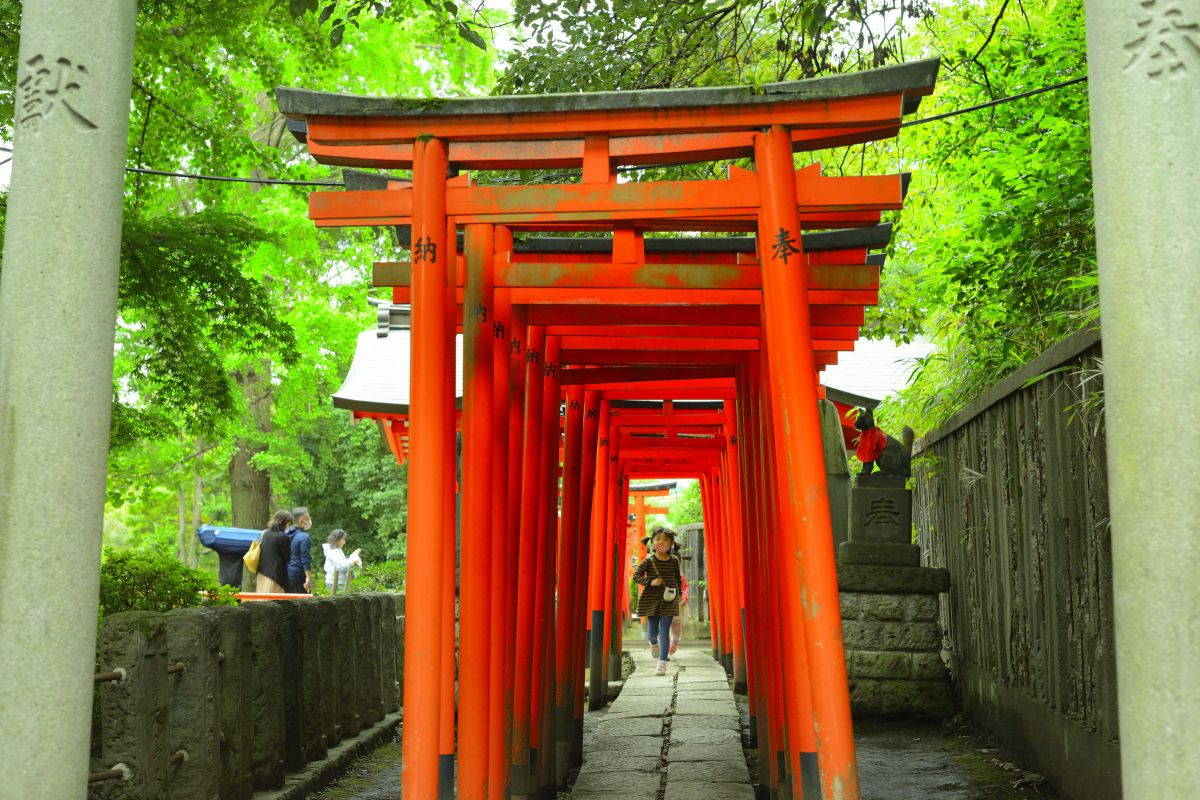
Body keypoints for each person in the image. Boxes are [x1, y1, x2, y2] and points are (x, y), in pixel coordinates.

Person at [633, 528, 682, 676]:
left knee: (664, 631)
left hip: (669, 599)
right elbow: (636, 577)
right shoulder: (648, 561)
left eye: (666, 539)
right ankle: (653, 643)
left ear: (671, 543)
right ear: (652, 542)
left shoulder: (674, 561)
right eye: (658, 539)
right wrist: (650, 581)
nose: (662, 542)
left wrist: (679, 594)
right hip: (651, 599)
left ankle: (662, 664)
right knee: (653, 632)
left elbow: (677, 578)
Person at [255, 509, 294, 594]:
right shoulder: (283, 537)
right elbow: (287, 558)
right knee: (274, 603)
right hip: (276, 577)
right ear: (284, 523)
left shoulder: (264, 533)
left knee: (260, 600)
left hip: (261, 574)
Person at [322, 529, 362, 593]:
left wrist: (353, 555)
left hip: (338, 581)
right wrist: (353, 560)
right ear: (337, 540)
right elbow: (341, 566)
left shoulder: (337, 549)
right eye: (343, 539)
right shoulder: (333, 551)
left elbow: (343, 563)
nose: (344, 542)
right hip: (335, 582)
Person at [286, 507, 315, 594]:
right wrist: (308, 579)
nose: (310, 520)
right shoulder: (304, 537)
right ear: (301, 521)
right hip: (298, 576)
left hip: (286, 574)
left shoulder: (286, 533)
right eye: (308, 518)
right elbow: (305, 560)